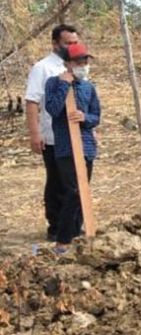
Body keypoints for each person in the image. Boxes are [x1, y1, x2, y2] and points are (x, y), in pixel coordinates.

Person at [25, 24, 80, 241]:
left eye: (75, 42)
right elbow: (32, 102)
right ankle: (56, 226)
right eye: (68, 43)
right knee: (57, 181)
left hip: (76, 135)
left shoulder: (78, 65)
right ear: (55, 44)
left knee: (74, 183)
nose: (72, 46)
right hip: (53, 136)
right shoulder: (43, 68)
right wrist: (35, 134)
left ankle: (74, 226)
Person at [43, 43, 100, 250]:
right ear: (67, 64)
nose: (83, 66)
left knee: (83, 192)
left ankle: (77, 236)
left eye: (85, 62)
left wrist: (85, 117)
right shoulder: (53, 83)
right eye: (78, 62)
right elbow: (53, 109)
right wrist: (64, 85)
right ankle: (63, 238)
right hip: (66, 148)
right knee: (73, 191)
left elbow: (96, 116)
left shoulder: (89, 87)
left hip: (87, 147)